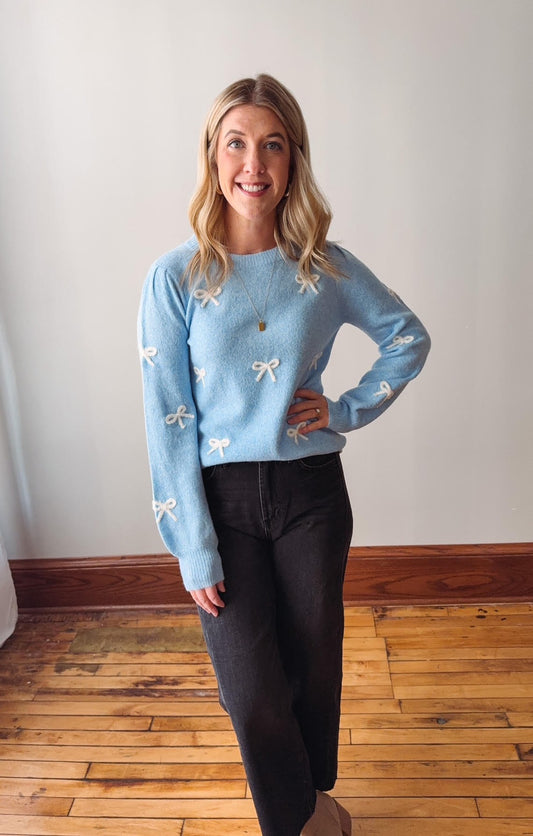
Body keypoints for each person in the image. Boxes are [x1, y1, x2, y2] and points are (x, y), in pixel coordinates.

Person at [138, 73, 430, 836]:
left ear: (293, 159)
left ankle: (306, 806)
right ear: (212, 155)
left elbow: (407, 337)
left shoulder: (322, 267)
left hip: (310, 493)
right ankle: (301, 817)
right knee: (252, 689)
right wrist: (190, 548)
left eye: (272, 145)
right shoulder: (176, 278)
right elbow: (167, 416)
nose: (253, 164)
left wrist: (343, 410)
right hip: (220, 505)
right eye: (236, 143)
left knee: (311, 669)